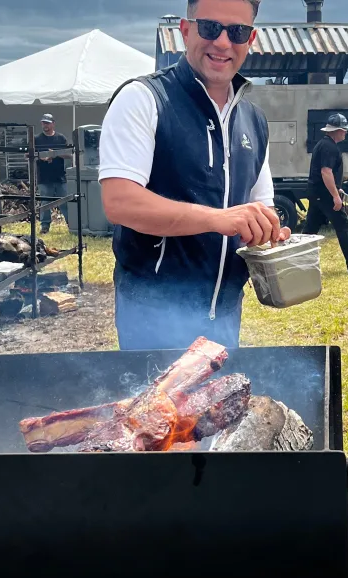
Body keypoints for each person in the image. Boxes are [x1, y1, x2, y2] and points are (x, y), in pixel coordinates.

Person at [98, 0, 290, 352]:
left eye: (237, 32)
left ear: (251, 39)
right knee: (157, 408)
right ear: (185, 31)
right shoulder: (144, 98)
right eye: (209, 28)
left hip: (227, 313)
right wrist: (219, 219)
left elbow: (261, 206)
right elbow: (120, 203)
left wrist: (269, 231)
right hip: (153, 317)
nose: (222, 42)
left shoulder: (253, 119)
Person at [302, 113, 348, 274]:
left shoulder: (323, 144)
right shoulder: (329, 147)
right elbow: (326, 172)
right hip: (324, 194)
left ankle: (294, 260)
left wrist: (337, 187)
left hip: (317, 192)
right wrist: (334, 196)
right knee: (343, 225)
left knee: (310, 230)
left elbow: (328, 174)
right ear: (336, 131)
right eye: (343, 129)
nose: (345, 132)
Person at [35, 113, 71, 234]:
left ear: (53, 124)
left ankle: (71, 225)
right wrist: (42, 157)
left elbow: (69, 154)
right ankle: (45, 226)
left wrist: (55, 154)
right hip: (44, 177)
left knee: (64, 201)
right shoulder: (36, 139)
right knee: (45, 203)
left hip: (59, 176)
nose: (45, 125)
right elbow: (28, 155)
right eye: (43, 123)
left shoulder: (61, 138)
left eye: (47, 123)